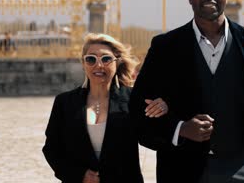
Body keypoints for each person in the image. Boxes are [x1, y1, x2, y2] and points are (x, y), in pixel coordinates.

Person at [130, 0, 244, 182]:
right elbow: (138, 106)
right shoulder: (165, 46)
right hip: (179, 169)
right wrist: (180, 129)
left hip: (239, 169)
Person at [43, 33, 169, 183]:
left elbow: (154, 139)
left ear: (117, 62)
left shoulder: (134, 99)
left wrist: (164, 110)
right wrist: (79, 175)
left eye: (106, 59)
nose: (99, 65)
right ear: (83, 63)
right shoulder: (64, 102)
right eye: (91, 59)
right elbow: (52, 149)